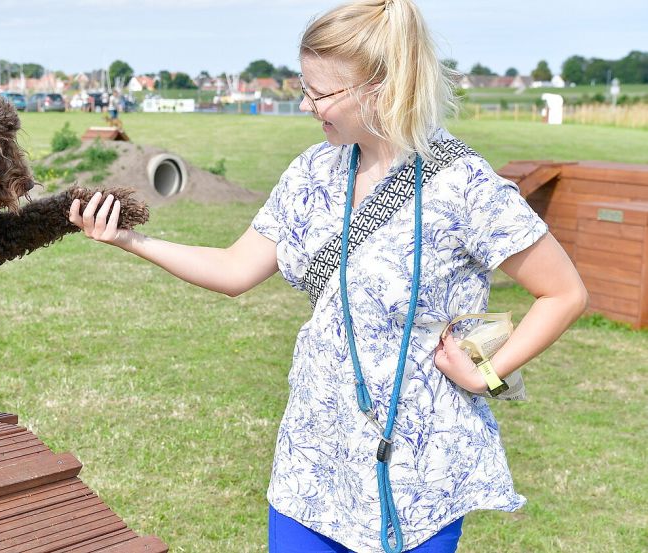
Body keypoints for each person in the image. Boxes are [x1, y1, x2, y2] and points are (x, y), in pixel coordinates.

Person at [68, 0, 588, 551]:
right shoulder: (313, 171)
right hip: (313, 462)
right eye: (304, 88)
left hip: (419, 475)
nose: (308, 105)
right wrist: (130, 239)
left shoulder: (464, 187)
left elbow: (563, 292)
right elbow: (234, 268)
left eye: (322, 92)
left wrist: (488, 373)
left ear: (381, 85)